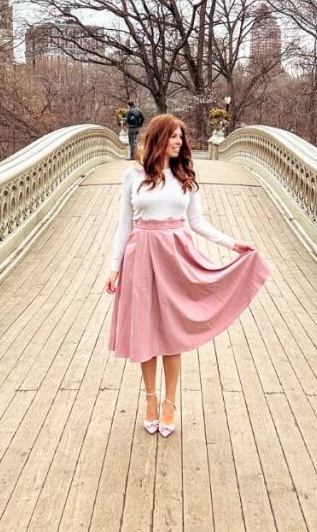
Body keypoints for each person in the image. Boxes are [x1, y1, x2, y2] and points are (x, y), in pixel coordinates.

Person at [105, 114, 272, 437]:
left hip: (176, 257)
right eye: (173, 137)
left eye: (181, 137)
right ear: (158, 138)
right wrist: (114, 266)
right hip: (140, 257)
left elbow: (197, 222)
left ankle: (170, 403)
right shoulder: (133, 175)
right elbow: (124, 224)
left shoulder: (185, 177)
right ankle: (150, 400)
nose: (178, 142)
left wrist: (231, 243)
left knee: (171, 331)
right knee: (144, 331)